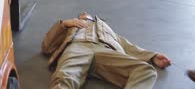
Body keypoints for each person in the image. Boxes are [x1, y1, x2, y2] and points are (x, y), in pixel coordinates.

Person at [41, 12, 171, 89]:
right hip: (77, 47)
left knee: (146, 71)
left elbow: (127, 46)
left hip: (105, 50)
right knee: (65, 78)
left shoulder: (106, 29)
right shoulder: (72, 26)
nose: (85, 13)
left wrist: (152, 56)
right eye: (82, 14)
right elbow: (47, 46)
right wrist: (65, 24)